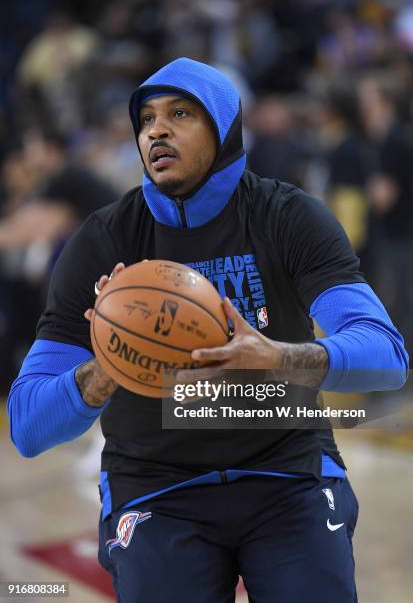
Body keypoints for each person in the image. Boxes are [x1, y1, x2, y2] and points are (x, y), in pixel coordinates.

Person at [8, 58, 408, 603]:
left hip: (286, 471)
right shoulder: (103, 242)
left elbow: (386, 355)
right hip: (156, 486)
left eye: (180, 113)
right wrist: (106, 366)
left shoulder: (287, 216)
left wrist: (278, 356)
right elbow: (28, 426)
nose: (157, 130)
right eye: (145, 119)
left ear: (223, 129)